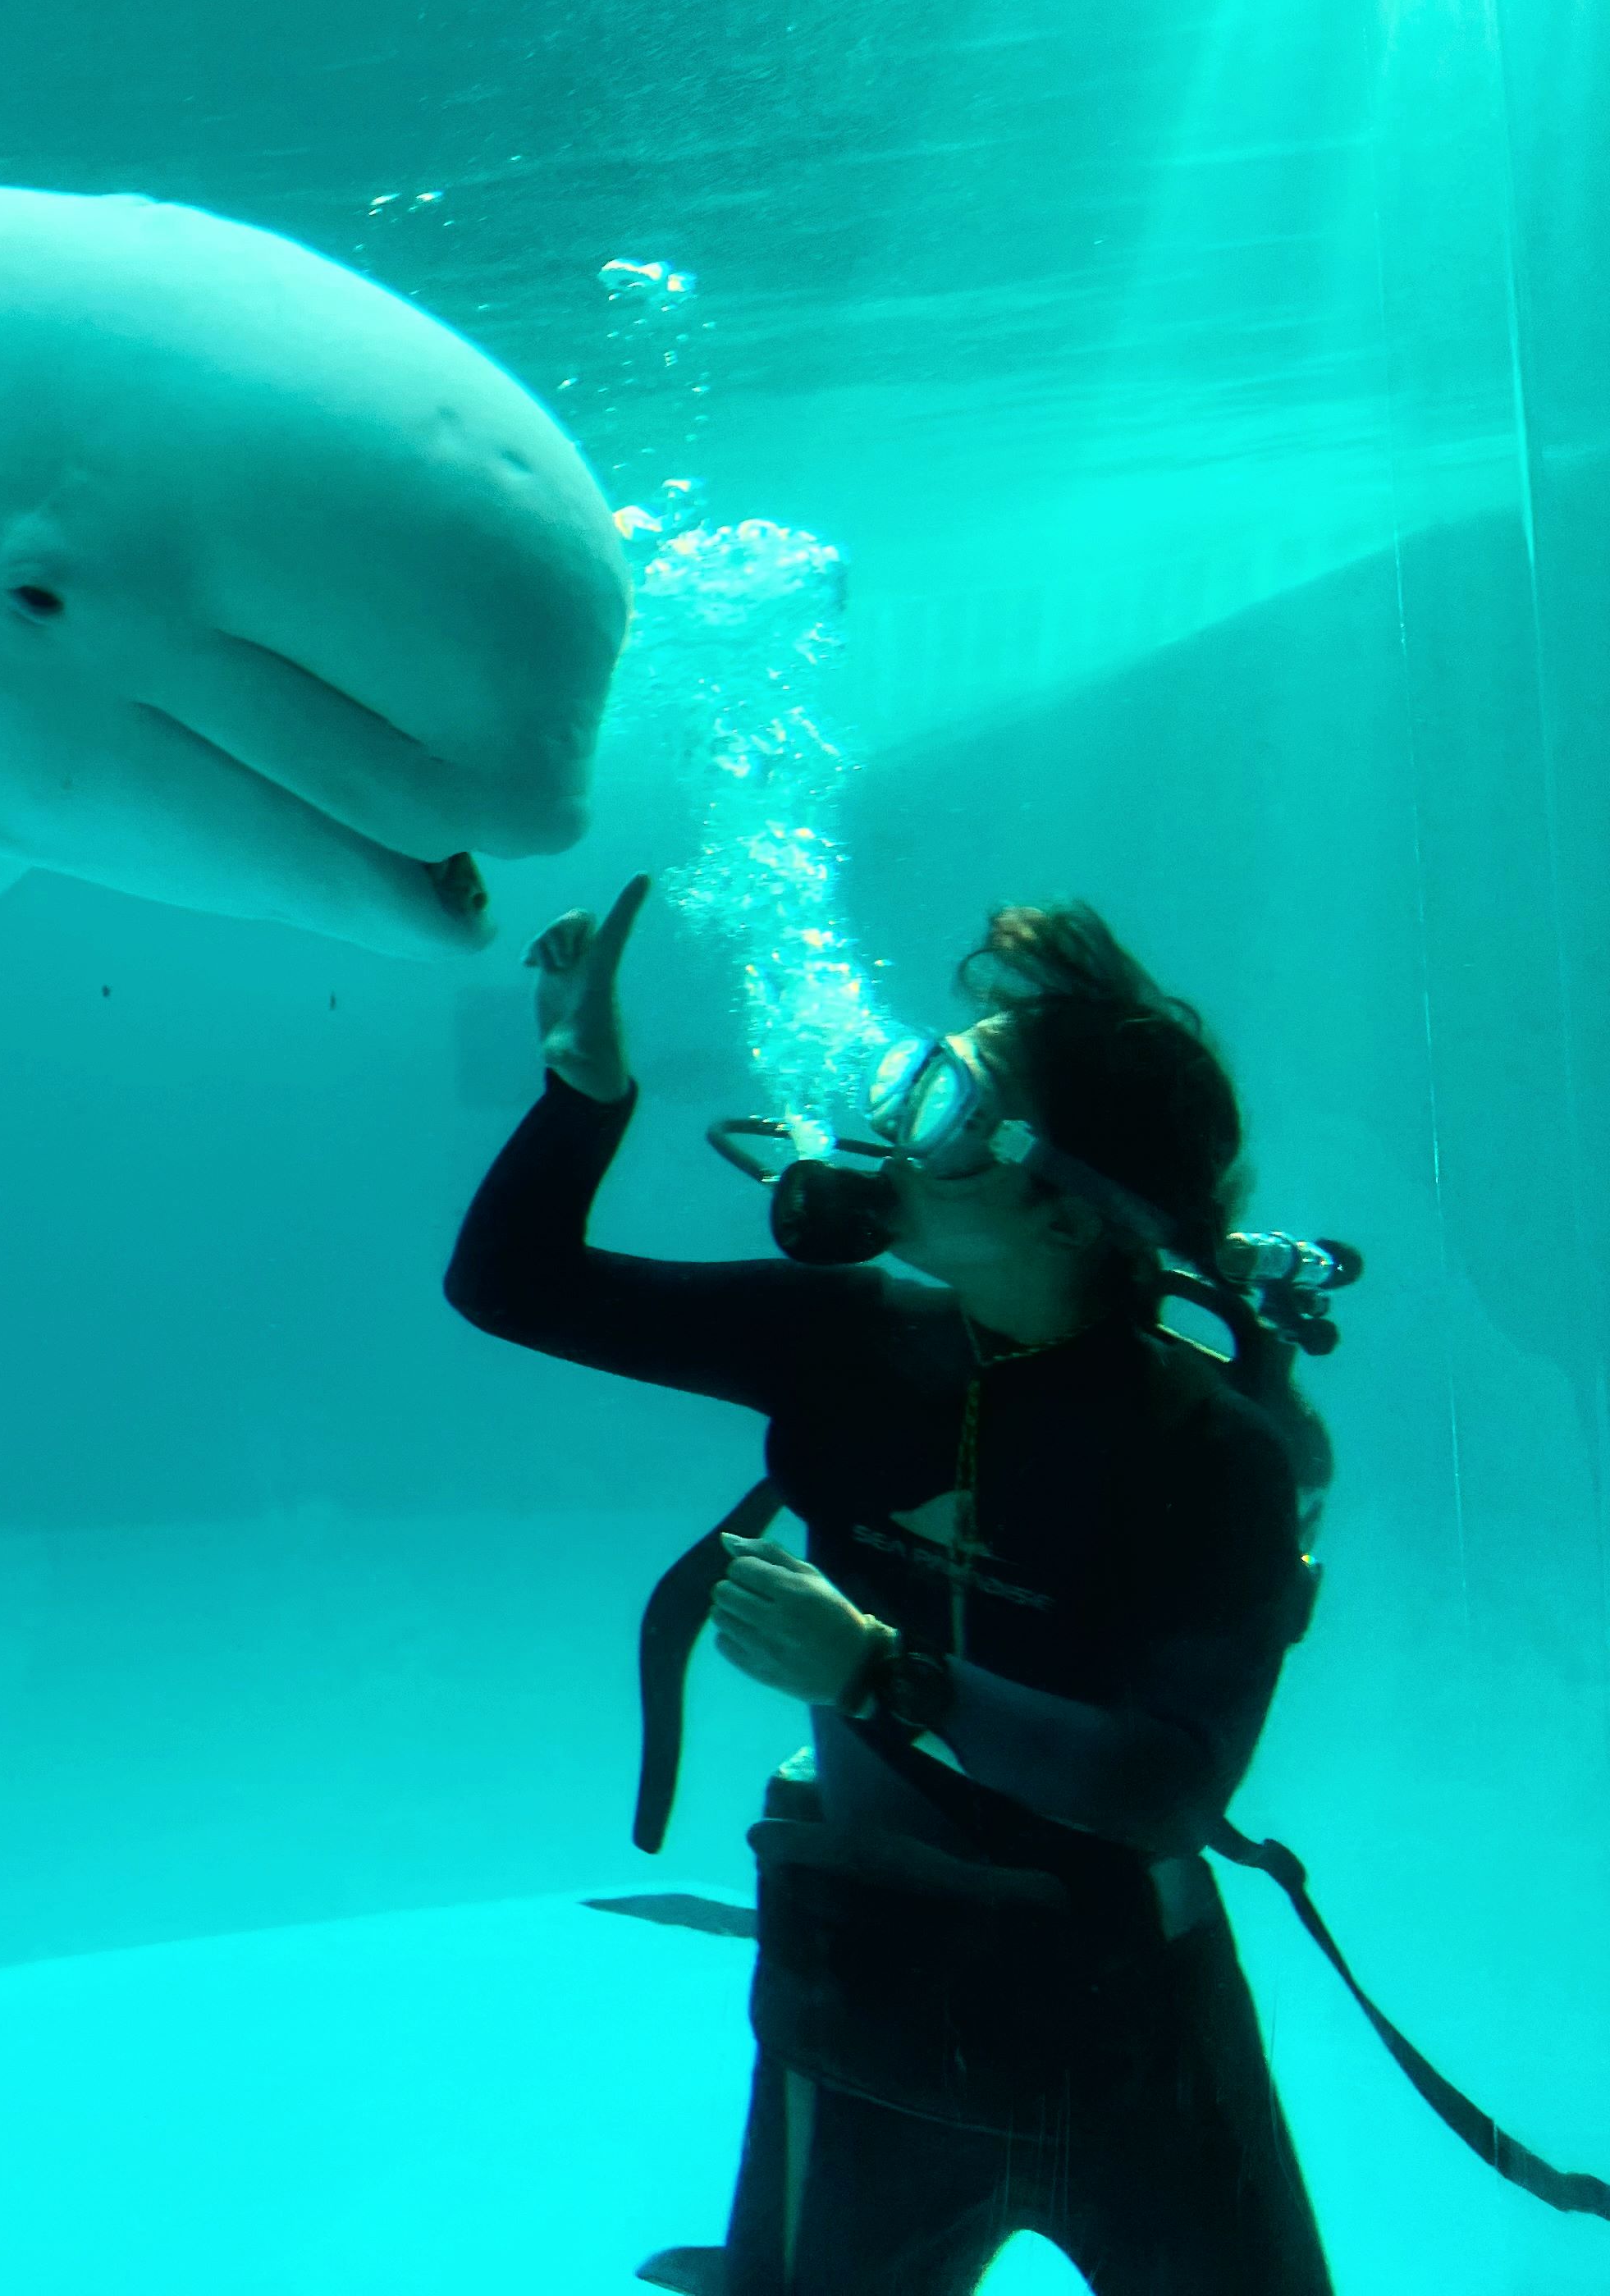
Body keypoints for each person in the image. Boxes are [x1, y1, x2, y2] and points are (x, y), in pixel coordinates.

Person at [444, 874, 1331, 2296]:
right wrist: (582, 1093)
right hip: (868, 1990)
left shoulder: (1212, 1453)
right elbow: (516, 1287)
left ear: (1064, 1204)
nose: (885, 1133)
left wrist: (878, 1675)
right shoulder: (843, 1337)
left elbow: (1166, 1786)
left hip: (1129, 2030)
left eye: (943, 1110)